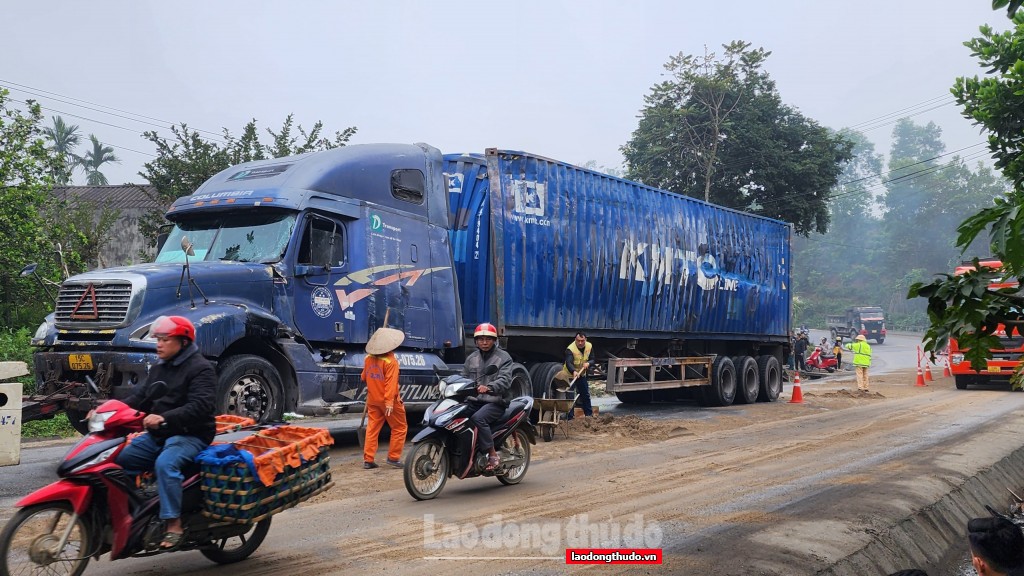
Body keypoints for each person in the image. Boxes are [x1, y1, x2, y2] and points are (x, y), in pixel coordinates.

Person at [114, 315, 216, 550]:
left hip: (191, 435)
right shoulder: (161, 367)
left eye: (164, 339)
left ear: (183, 342)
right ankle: (137, 512)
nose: (158, 344)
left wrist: (164, 417)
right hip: (161, 433)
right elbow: (141, 397)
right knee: (121, 460)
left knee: (165, 464)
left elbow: (200, 407)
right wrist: (110, 410)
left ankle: (173, 524)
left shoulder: (201, 369)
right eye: (157, 339)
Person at [462, 322, 514, 471]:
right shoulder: (471, 358)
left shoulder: (504, 358)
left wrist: (490, 388)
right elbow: (463, 377)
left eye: (488, 339)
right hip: (475, 400)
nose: (484, 342)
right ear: (476, 341)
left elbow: (505, 380)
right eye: (481, 339)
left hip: (496, 401)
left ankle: (492, 453)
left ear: (494, 340)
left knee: (478, 418)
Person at [360, 326, 408, 470]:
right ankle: (393, 457)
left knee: (372, 429)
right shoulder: (390, 362)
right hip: (389, 401)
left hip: (373, 400)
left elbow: (363, 377)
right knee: (399, 427)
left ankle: (368, 460)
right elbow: (391, 384)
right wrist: (388, 403)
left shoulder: (368, 358)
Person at [557, 332, 594, 420]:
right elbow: (569, 362)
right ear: (575, 340)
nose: (580, 343)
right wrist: (573, 371)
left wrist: (588, 363)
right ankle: (570, 417)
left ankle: (589, 415)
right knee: (570, 396)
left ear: (586, 340)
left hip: (581, 374)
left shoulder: (589, 346)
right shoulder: (570, 349)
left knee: (585, 394)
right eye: (578, 341)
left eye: (582, 341)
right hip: (570, 375)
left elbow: (593, 359)